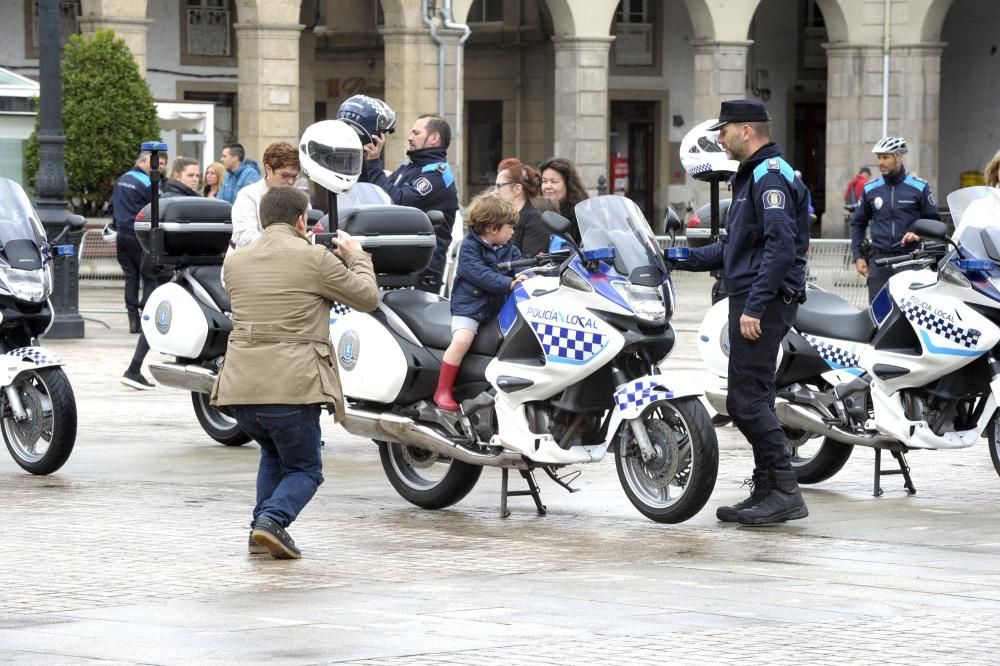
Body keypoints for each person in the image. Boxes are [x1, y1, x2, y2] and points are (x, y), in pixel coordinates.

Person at [211, 187, 378, 559]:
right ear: (301, 220)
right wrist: (357, 256)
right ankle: (272, 520)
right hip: (291, 385)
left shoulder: (237, 261)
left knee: (272, 452)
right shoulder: (314, 257)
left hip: (242, 388)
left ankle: (258, 530)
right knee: (305, 469)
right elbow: (367, 297)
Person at [671, 100, 811, 526]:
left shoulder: (769, 178)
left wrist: (754, 307)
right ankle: (768, 487)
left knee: (745, 401)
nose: (720, 138)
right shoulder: (753, 176)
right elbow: (736, 246)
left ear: (746, 131)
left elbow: (781, 247)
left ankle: (784, 489)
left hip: (760, 302)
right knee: (753, 397)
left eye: (725, 130)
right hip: (753, 297)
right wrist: (675, 257)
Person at [433, 192, 525, 411]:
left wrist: (531, 275)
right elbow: (479, 274)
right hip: (469, 307)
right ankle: (442, 390)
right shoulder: (469, 247)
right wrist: (509, 283)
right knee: (462, 340)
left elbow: (521, 265)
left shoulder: (509, 249)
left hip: (497, 309)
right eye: (509, 227)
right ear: (493, 228)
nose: (513, 232)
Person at [121, 157, 201, 390]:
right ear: (177, 176)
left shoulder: (174, 199)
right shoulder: (174, 201)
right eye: (190, 175)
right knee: (160, 317)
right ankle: (135, 368)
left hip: (168, 268)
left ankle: (137, 368)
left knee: (163, 316)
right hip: (170, 270)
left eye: (197, 175)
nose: (195, 179)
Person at [363, 114, 459, 293]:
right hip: (397, 267)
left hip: (420, 275)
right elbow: (376, 192)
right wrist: (366, 161)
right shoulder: (410, 167)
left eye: (416, 133)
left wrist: (375, 163)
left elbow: (397, 202)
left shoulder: (437, 176)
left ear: (434, 138)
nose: (409, 137)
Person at [850, 136, 940, 302]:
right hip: (879, 260)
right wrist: (858, 256)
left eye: (886, 157)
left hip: (909, 259)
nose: (881, 163)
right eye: (879, 158)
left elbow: (933, 221)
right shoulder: (870, 189)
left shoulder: (919, 187)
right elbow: (857, 223)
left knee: (909, 314)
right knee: (878, 315)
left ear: (898, 157)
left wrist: (918, 234)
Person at [111, 149, 167, 334]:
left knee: (131, 277)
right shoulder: (148, 182)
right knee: (149, 277)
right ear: (145, 162)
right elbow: (158, 206)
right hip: (141, 235)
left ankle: (132, 319)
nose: (159, 168)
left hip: (122, 234)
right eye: (158, 164)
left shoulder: (122, 179)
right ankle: (145, 319)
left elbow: (112, 206)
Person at [229, 142, 301, 251]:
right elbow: (244, 236)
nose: (291, 181)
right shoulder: (248, 196)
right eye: (285, 175)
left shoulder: (299, 199)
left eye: (294, 176)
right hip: (249, 263)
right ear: (268, 169)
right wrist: (283, 246)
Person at [495, 157, 548, 257]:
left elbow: (528, 262)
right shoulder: (498, 216)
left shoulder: (535, 220)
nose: (495, 192)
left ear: (517, 189)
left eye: (499, 186)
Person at [337, 94, 396, 183]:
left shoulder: (355, 157)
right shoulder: (344, 160)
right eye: (381, 133)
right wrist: (374, 162)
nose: (381, 141)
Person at [539, 157, 588, 243]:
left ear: (568, 184)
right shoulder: (537, 210)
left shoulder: (578, 212)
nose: (547, 186)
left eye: (554, 182)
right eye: (544, 181)